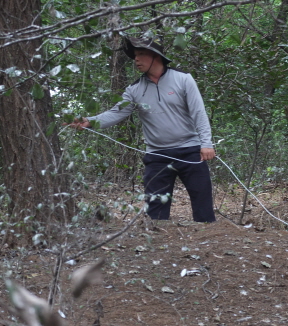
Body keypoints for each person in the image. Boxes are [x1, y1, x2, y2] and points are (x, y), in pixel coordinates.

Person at [67, 36, 216, 223]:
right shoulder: (134, 90)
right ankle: (158, 244)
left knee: (203, 206)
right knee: (155, 212)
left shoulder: (183, 79)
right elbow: (115, 113)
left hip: (191, 151)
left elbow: (199, 113)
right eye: (135, 55)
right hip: (157, 156)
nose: (136, 59)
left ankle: (205, 242)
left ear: (156, 56)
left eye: (141, 54)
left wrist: (206, 143)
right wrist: (89, 121)